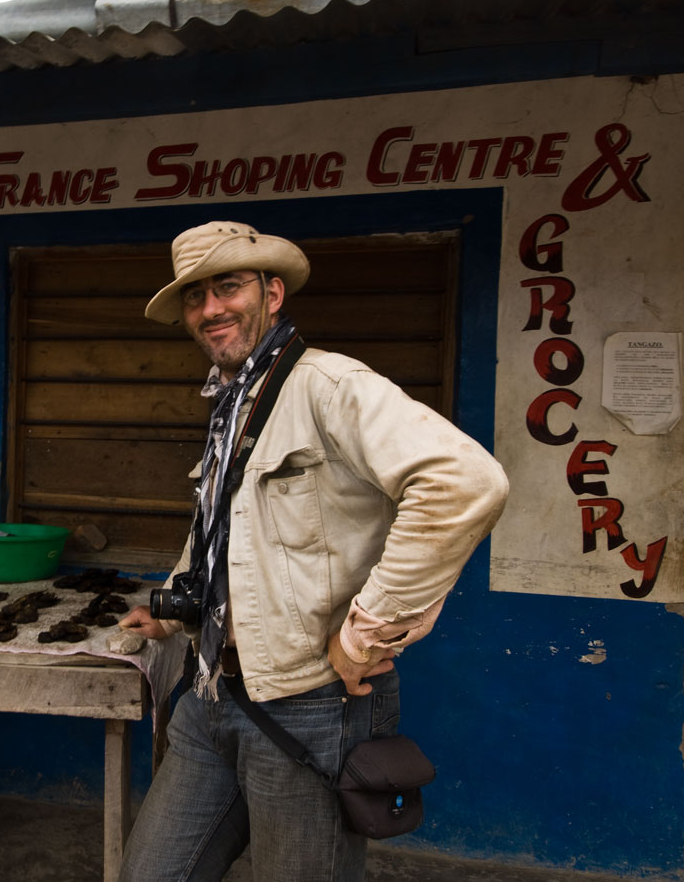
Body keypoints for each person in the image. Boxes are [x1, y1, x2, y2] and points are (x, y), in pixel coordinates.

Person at [117, 221, 509, 881]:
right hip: (211, 693)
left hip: (312, 705)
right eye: (195, 296)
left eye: (228, 286)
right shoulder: (234, 402)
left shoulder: (329, 385)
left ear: (272, 292)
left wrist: (367, 632)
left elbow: (465, 482)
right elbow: (230, 527)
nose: (210, 308)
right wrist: (177, 607)